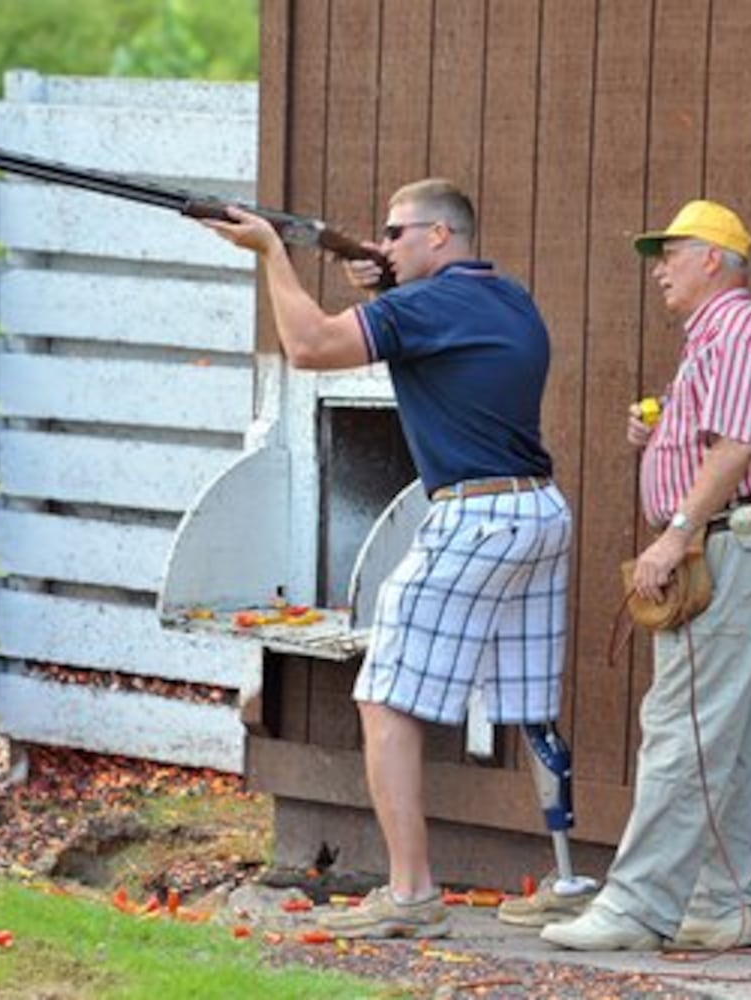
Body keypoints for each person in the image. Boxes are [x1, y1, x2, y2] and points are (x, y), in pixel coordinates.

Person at [205, 179, 575, 939]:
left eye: (397, 232)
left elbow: (308, 347)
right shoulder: (509, 299)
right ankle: (569, 878)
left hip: (474, 517)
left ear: (440, 237)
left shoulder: (425, 308)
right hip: (540, 509)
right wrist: (383, 286)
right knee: (531, 700)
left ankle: (410, 895)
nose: (385, 242)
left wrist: (272, 253)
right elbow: (424, 340)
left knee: (384, 696)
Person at [541, 200, 751, 952]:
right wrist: (659, 438)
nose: (660, 269)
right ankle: (720, 905)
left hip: (722, 547)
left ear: (714, 260)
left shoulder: (742, 334)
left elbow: (736, 451)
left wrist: (676, 534)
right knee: (720, 733)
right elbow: (715, 442)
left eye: (672, 253)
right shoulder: (716, 340)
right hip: (727, 546)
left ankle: (636, 907)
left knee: (680, 732)